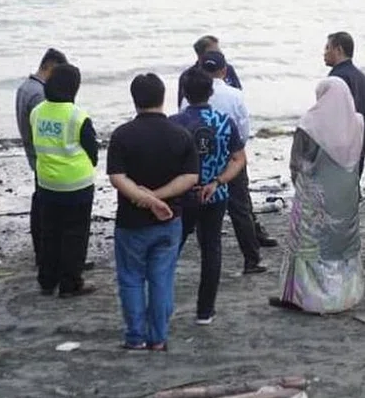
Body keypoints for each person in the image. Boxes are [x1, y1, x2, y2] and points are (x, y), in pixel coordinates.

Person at [107, 73, 200, 350]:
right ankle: (158, 338)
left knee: (132, 278)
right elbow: (190, 177)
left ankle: (135, 337)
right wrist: (159, 199)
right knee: (162, 279)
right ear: (163, 97)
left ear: (135, 100)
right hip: (170, 221)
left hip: (131, 221)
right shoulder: (180, 134)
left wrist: (146, 198)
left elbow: (117, 176)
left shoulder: (122, 135)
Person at [271, 77, 365, 313]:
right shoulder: (357, 124)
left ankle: (306, 298)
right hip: (345, 194)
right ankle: (343, 296)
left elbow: (297, 164)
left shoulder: (309, 125)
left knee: (307, 245)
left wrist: (300, 185)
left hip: (315, 195)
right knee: (341, 243)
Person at [171, 67, 247, 325]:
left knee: (172, 249)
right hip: (215, 193)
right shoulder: (225, 122)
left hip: (181, 195)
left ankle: (163, 304)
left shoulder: (175, 123)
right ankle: (205, 311)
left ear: (185, 93)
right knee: (211, 249)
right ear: (211, 91)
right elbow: (238, 159)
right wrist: (218, 180)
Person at [29, 63, 98, 298]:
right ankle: (70, 283)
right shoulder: (77, 115)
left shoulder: (37, 112)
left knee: (50, 232)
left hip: (47, 182)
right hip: (77, 183)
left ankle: (47, 280)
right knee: (75, 234)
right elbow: (92, 150)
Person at [197, 51, 270, 273]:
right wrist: (237, 149)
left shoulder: (194, 93)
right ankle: (251, 260)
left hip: (203, 158)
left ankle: (208, 259)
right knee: (240, 209)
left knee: (202, 209)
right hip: (231, 156)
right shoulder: (234, 95)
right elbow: (244, 128)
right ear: (224, 70)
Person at [15, 48, 68, 267]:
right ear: (50, 67)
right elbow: (47, 129)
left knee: (40, 202)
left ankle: (43, 252)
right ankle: (48, 254)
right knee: (48, 208)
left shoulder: (25, 87)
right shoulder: (39, 94)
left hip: (34, 153)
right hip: (44, 157)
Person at [324, 32, 365, 179]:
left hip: (340, 151)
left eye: (327, 48)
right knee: (351, 193)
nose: (324, 53)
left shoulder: (336, 79)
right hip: (360, 145)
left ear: (338, 50)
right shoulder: (363, 79)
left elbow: (331, 117)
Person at [177, 35, 243, 108]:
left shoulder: (228, 69)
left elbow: (239, 94)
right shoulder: (188, 76)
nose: (218, 54)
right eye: (213, 52)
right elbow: (182, 106)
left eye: (219, 51)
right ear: (200, 55)